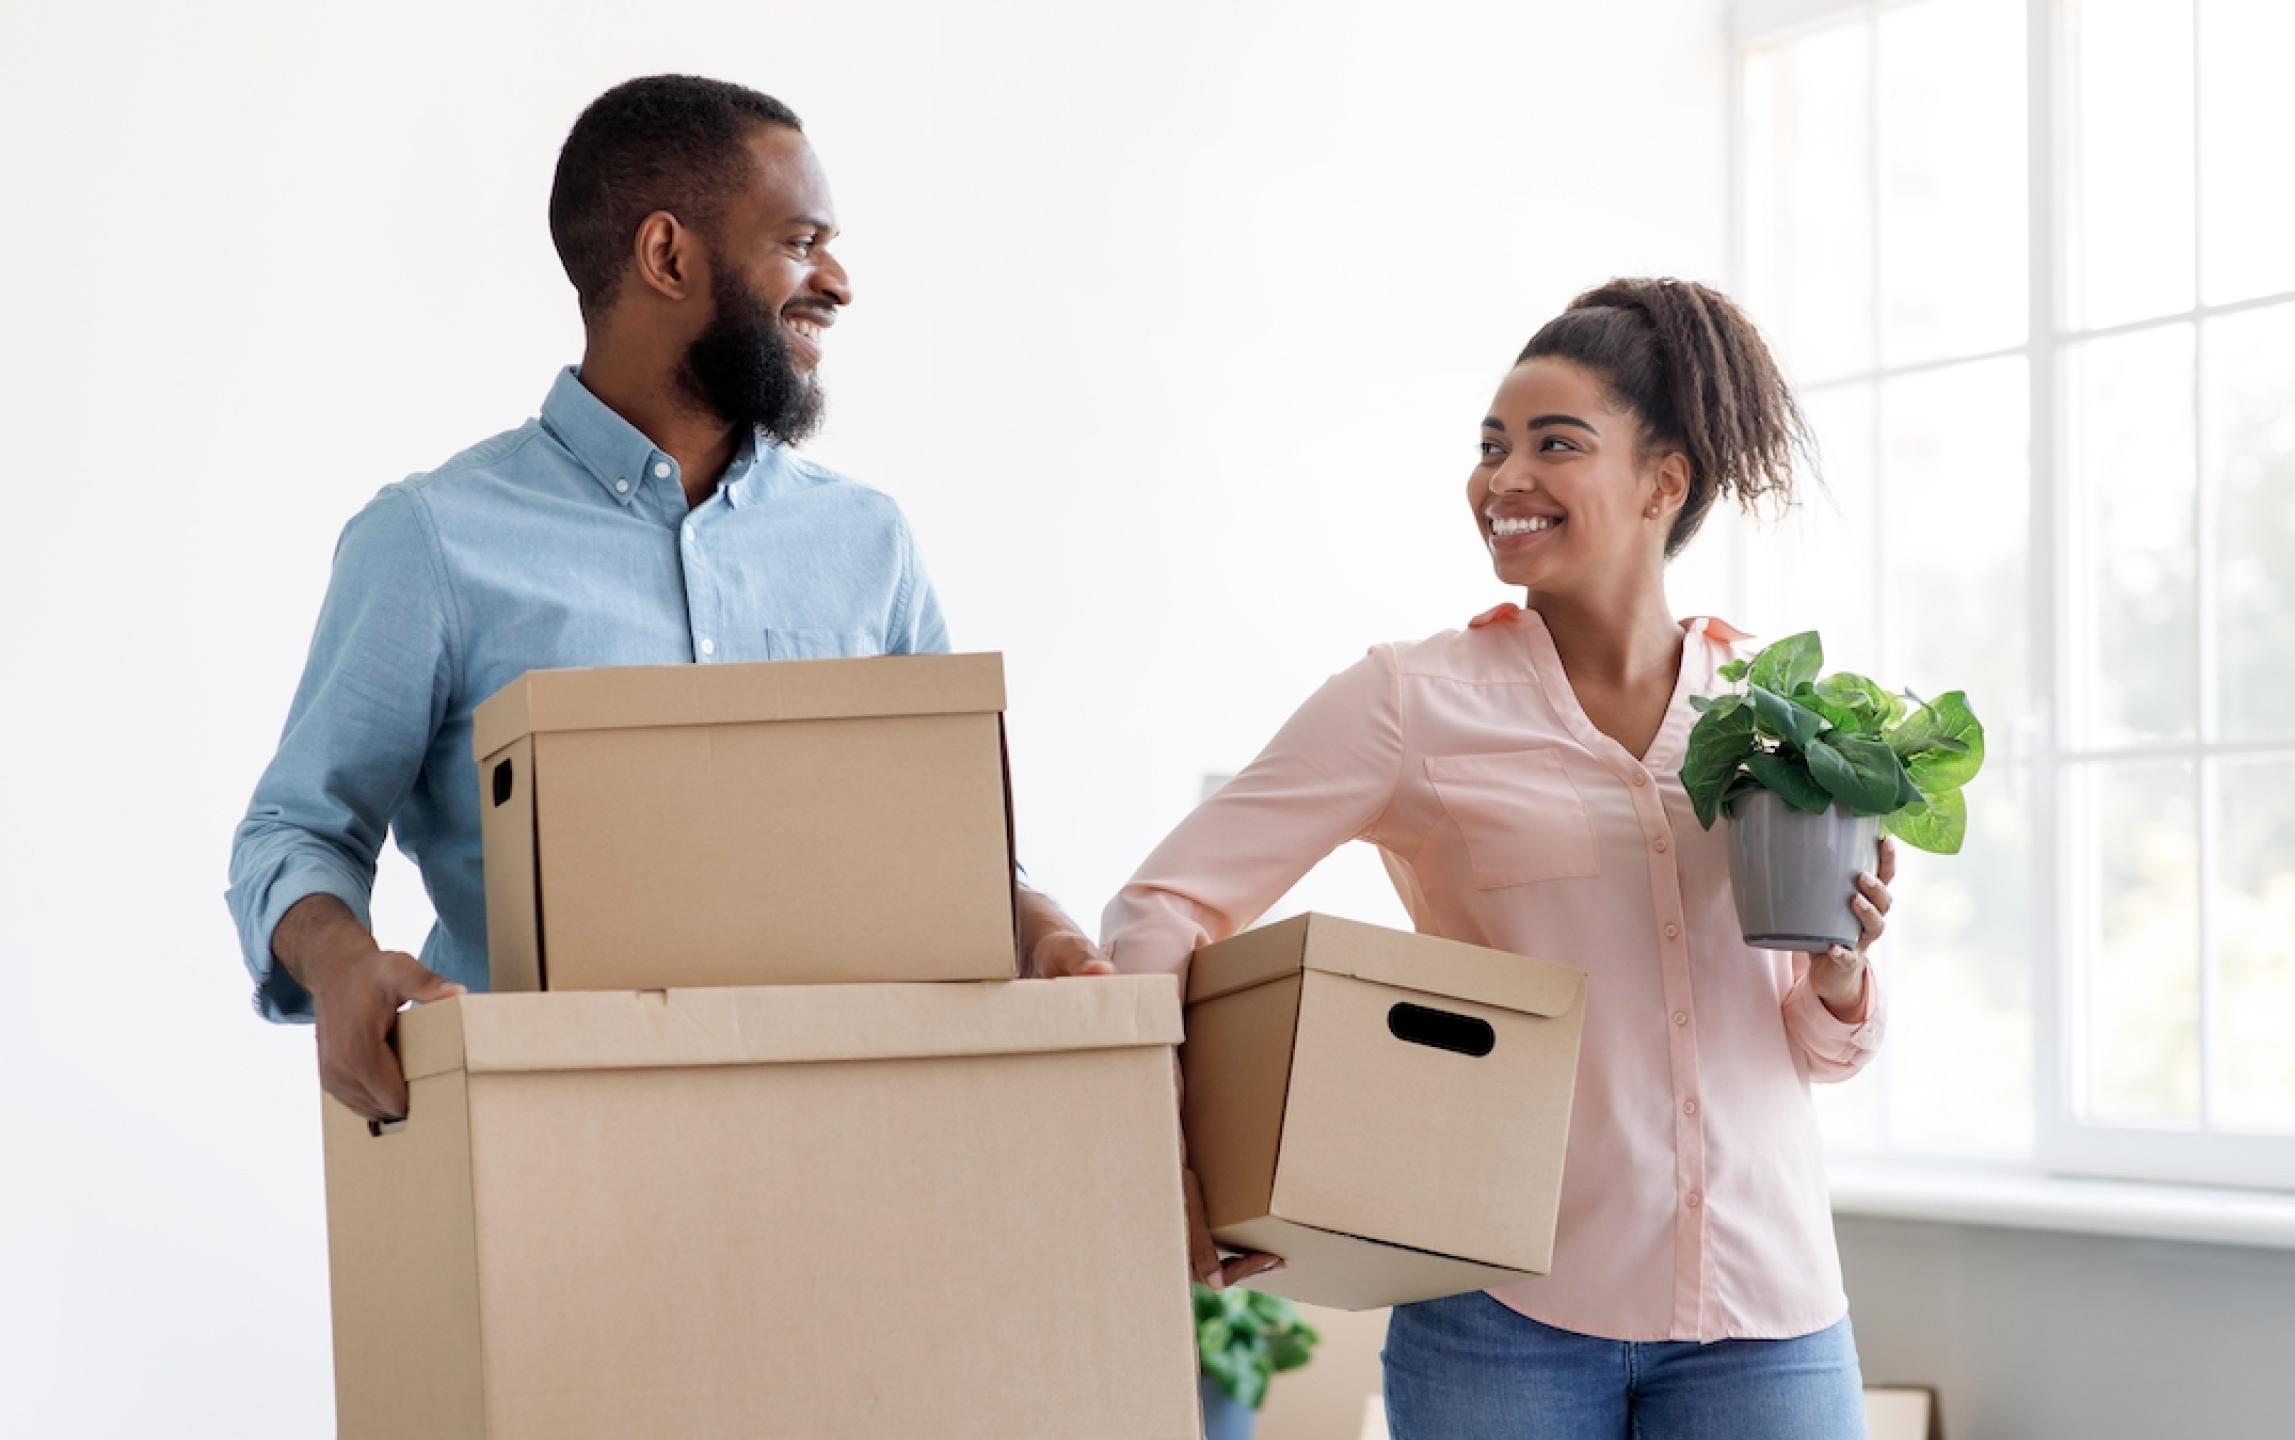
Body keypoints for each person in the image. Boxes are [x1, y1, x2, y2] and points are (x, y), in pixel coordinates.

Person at [227, 75, 1109, 1125]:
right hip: (546, 1150)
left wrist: (1038, 927)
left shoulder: (867, 543)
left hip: (854, 1141)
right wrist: (340, 966)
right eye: (798, 240)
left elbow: (955, 846)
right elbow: (293, 830)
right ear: (667, 256)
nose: (836, 281)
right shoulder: (432, 541)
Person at [1102, 278, 1894, 1439]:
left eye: (1553, 445)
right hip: (1501, 1317)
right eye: (1490, 446)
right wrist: (1189, 1149)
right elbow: (1161, 906)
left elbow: (1822, 1047)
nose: (1501, 479)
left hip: (1766, 1317)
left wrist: (1841, 974)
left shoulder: (1779, 708)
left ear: (1662, 483)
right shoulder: (1409, 702)